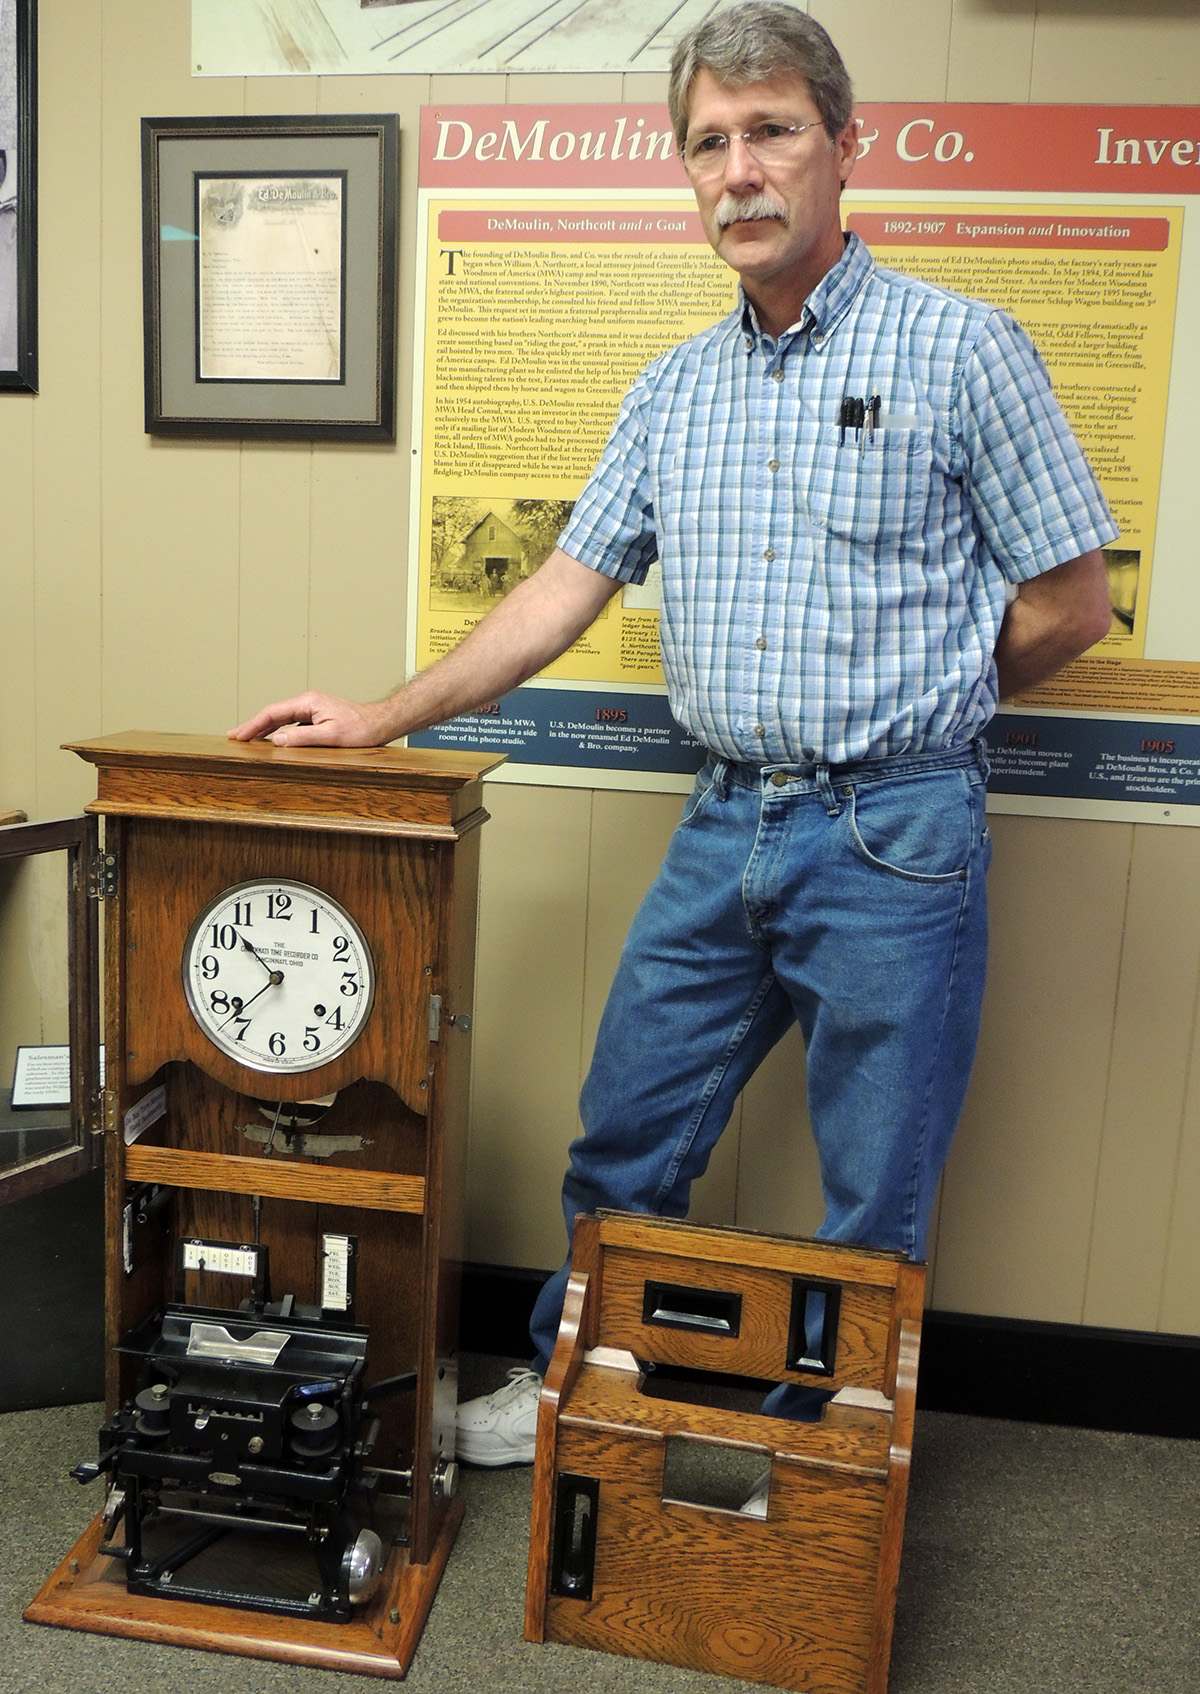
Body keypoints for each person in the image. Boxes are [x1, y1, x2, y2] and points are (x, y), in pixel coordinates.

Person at [230, 5, 1116, 1467]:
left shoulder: (965, 348)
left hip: (898, 836)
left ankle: (827, 1450)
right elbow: (559, 595)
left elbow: (1071, 604)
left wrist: (927, 704)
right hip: (726, 825)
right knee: (628, 1136)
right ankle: (573, 1386)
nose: (738, 171)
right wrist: (380, 718)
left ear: (843, 148)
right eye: (707, 143)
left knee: (874, 1187)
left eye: (770, 132)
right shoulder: (673, 389)